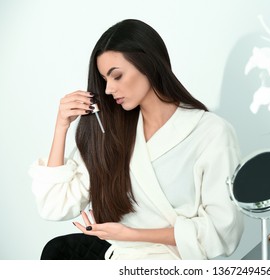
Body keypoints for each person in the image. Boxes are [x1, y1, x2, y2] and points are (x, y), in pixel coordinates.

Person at [29, 19, 244, 260]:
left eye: (117, 76)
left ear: (149, 64)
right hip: (118, 259)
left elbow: (224, 231)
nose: (108, 89)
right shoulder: (111, 131)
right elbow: (54, 207)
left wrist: (131, 234)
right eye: (104, 80)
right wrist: (61, 126)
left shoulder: (210, 132)